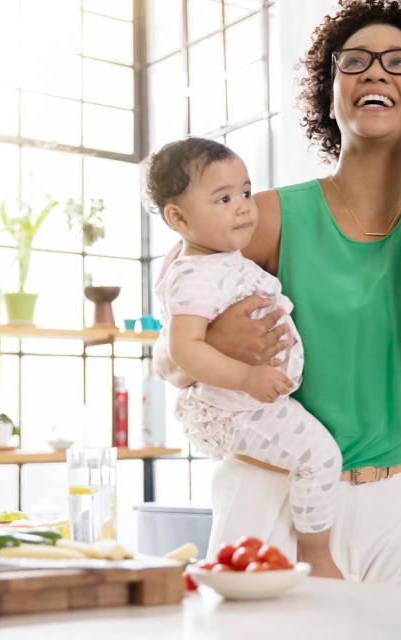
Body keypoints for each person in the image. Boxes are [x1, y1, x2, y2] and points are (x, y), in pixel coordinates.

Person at [154, 0, 401, 587]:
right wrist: (215, 341)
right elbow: (166, 354)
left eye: (399, 61)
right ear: (328, 91)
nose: (374, 72)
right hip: (273, 500)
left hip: (396, 505)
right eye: (354, 62)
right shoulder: (260, 217)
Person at [146, 137, 344, 578]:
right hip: (242, 406)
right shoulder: (194, 275)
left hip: (253, 400)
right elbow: (184, 348)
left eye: (246, 192)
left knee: (315, 458)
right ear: (178, 218)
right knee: (321, 458)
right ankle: (317, 554)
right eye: (223, 198)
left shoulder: (217, 259)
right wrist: (247, 377)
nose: (244, 207)